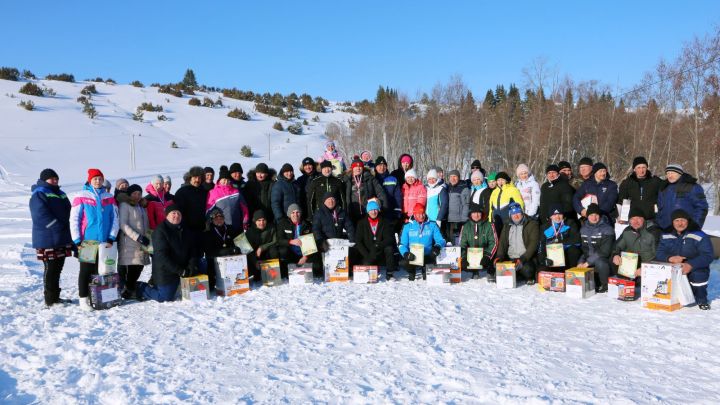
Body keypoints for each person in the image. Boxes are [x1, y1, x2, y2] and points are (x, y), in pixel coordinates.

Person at [70, 168, 119, 310]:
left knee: (101, 270)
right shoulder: (81, 196)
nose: (98, 181)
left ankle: (97, 298)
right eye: (95, 179)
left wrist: (111, 237)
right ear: (90, 180)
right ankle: (83, 299)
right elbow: (74, 219)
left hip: (104, 242)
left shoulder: (108, 197)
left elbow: (115, 218)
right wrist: (77, 240)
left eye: (100, 178)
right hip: (88, 242)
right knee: (86, 270)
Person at [135, 205, 200, 302]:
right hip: (166, 271)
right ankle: (141, 287)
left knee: (201, 264)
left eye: (179, 213)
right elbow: (162, 256)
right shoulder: (160, 231)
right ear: (167, 216)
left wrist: (191, 266)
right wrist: (180, 271)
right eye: (173, 213)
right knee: (165, 298)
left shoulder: (186, 229)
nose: (176, 215)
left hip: (183, 268)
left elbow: (193, 250)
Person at [30, 168, 73, 306]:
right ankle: (49, 299)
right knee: (50, 268)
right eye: (51, 178)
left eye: (56, 178)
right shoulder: (39, 193)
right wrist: (56, 226)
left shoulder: (61, 193)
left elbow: (69, 210)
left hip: (61, 236)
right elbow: (40, 214)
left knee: (58, 268)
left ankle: (56, 297)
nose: (54, 180)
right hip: (47, 238)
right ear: (44, 180)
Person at [655, 209, 713, 310]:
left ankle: (701, 299)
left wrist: (690, 265)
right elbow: (660, 253)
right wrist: (670, 258)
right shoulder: (666, 234)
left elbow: (708, 255)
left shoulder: (699, 234)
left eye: (683, 220)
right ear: (672, 222)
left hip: (694, 266)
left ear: (688, 221)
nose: (680, 223)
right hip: (673, 266)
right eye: (676, 220)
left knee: (699, 275)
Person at [117, 184, 150, 299]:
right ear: (129, 194)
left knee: (139, 267)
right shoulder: (124, 205)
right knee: (132, 268)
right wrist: (137, 237)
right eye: (134, 193)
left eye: (139, 194)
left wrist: (147, 237)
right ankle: (129, 291)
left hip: (142, 242)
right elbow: (122, 224)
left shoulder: (141, 206)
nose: (137, 196)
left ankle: (129, 290)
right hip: (130, 242)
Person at [495, 202, 540, 285]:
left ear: (522, 212)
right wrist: (499, 256)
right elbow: (503, 242)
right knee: (496, 274)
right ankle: (516, 275)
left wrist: (523, 259)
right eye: (513, 213)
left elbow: (533, 244)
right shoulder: (507, 225)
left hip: (525, 259)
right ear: (510, 215)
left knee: (528, 271)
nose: (516, 215)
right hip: (510, 258)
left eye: (518, 213)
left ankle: (523, 276)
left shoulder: (532, 224)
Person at [398, 204, 446, 281]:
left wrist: (437, 247)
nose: (421, 216)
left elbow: (441, 240)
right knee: (403, 262)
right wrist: (406, 253)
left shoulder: (432, 224)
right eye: (419, 214)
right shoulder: (407, 226)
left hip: (428, 255)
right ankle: (412, 271)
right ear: (414, 214)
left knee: (427, 276)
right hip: (413, 256)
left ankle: (425, 269)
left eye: (423, 213)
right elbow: (402, 244)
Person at [611, 205, 659, 281]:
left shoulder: (653, 232)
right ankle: (626, 282)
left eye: (638, 218)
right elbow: (617, 246)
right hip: (633, 264)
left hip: (650, 266)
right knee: (614, 260)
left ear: (644, 219)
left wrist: (645, 268)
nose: (635, 222)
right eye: (632, 219)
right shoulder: (627, 231)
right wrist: (615, 255)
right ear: (629, 221)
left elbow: (659, 256)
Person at [577, 203, 616, 292]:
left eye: (596, 215)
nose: (594, 218)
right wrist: (581, 262)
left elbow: (605, 251)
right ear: (587, 216)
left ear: (600, 215)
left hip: (605, 261)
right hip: (590, 260)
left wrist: (587, 262)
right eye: (591, 215)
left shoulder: (607, 229)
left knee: (600, 262)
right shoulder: (583, 229)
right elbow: (584, 250)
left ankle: (605, 285)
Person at [656, 164, 708, 231]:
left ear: (680, 174)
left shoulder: (692, 187)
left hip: (686, 228)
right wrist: (659, 223)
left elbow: (702, 208)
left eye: (673, 173)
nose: (670, 175)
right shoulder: (663, 188)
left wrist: (695, 225)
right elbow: (659, 208)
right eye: (668, 173)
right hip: (666, 229)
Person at [354, 200, 398, 279]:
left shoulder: (385, 221)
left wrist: (378, 245)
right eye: (371, 210)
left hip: (380, 251)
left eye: (375, 209)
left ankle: (390, 273)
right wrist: (367, 255)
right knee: (366, 265)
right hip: (368, 252)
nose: (373, 212)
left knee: (389, 248)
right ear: (368, 211)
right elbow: (358, 241)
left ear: (378, 210)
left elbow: (389, 239)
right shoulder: (361, 223)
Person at [202, 207, 241, 291]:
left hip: (230, 260)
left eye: (221, 218)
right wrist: (226, 251)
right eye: (216, 218)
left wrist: (237, 248)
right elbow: (209, 252)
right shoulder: (207, 232)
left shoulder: (230, 228)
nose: (219, 220)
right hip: (215, 261)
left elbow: (239, 243)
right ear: (212, 220)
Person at [276, 204, 319, 278]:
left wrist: (305, 257)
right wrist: (290, 241)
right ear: (289, 214)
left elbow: (311, 242)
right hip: (291, 253)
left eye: (297, 212)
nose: (295, 215)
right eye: (293, 212)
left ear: (300, 213)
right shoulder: (283, 224)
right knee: (283, 251)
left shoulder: (307, 224)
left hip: (304, 254)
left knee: (316, 268)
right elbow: (279, 240)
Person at [538, 205, 582, 271]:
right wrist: (543, 260)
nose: (557, 217)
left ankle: (571, 272)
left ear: (563, 215)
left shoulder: (570, 223)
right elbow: (541, 245)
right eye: (554, 215)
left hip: (567, 256)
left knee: (574, 250)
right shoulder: (544, 227)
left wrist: (559, 244)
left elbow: (577, 240)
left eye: (560, 214)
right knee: (542, 269)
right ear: (550, 216)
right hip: (552, 256)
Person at [459, 204, 497, 280]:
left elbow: (494, 243)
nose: (476, 215)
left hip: (486, 256)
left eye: (478, 213)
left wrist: (487, 256)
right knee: (461, 262)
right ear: (470, 214)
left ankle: (491, 271)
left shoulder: (489, 225)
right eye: (474, 213)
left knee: (495, 255)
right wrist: (463, 258)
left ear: (482, 214)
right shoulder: (465, 227)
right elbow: (462, 245)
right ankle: (474, 271)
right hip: (471, 257)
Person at [206, 168, 250, 232]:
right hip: (221, 227)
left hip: (237, 225)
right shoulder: (213, 192)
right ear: (219, 180)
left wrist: (245, 220)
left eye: (228, 179)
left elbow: (244, 207)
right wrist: (209, 223)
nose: (226, 181)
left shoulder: (236, 191)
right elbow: (208, 210)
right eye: (223, 179)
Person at [244, 210, 279, 282]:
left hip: (267, 254)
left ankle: (272, 273)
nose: (262, 223)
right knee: (256, 278)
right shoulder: (250, 231)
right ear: (255, 221)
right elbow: (248, 249)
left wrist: (262, 247)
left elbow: (275, 241)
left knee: (274, 250)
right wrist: (255, 261)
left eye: (263, 220)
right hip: (255, 257)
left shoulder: (271, 228)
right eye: (259, 220)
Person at [173, 166, 209, 234]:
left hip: (202, 229)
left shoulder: (204, 192)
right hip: (187, 230)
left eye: (199, 178)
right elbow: (178, 211)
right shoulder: (181, 192)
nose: (197, 180)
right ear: (190, 178)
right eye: (195, 177)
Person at [374, 156, 403, 223]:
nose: (382, 167)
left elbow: (398, 196)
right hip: (376, 212)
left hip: (390, 212)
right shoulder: (372, 179)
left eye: (384, 165)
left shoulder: (393, 179)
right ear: (376, 167)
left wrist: (397, 211)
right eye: (379, 165)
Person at [445, 170, 470, 244]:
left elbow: (466, 205)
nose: (453, 179)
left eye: (455, 176)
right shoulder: (448, 187)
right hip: (448, 220)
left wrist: (464, 219)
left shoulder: (463, 188)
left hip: (458, 220)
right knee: (449, 241)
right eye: (451, 177)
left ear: (459, 177)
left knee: (457, 241)